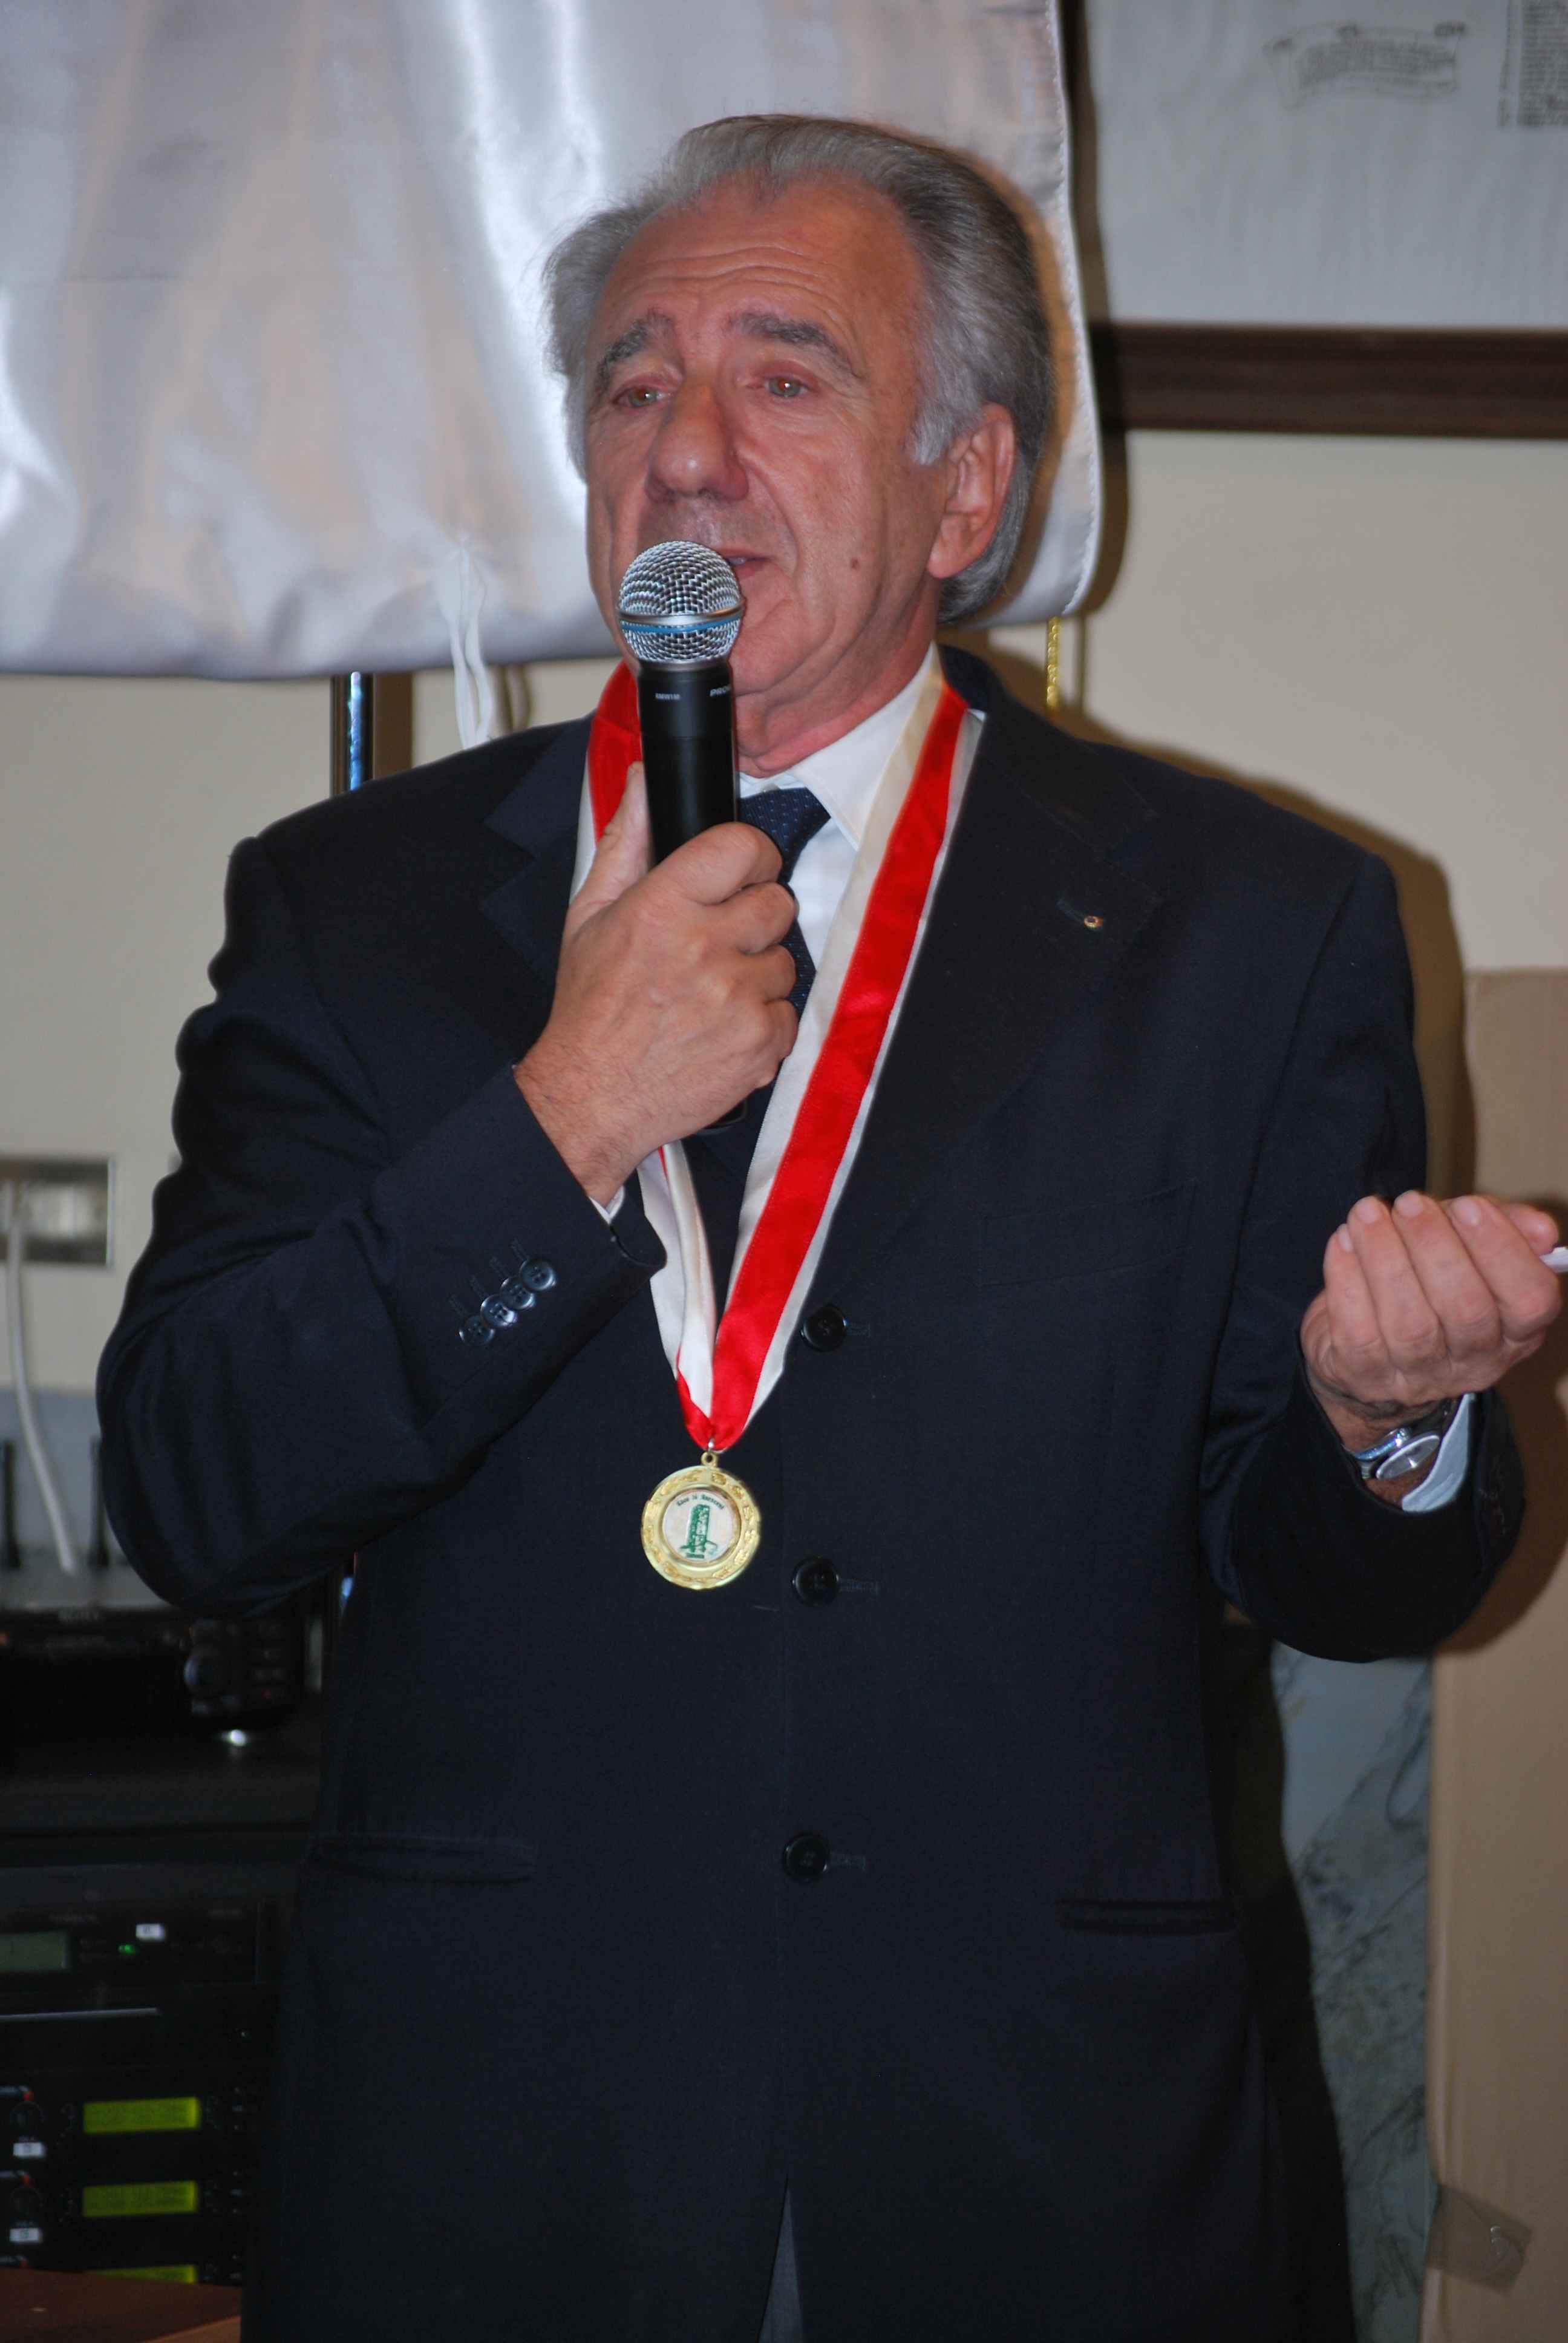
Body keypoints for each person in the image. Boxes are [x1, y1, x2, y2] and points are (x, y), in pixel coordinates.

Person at [99, 116, 1558, 2343]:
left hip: (1048, 2155)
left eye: (785, 376)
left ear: (967, 490)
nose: (688, 449)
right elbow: (196, 1495)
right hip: (497, 2155)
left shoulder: (1249, 928)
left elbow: (1336, 1576)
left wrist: (1389, 1425)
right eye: (635, 382)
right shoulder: (356, 907)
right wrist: (567, 1113)